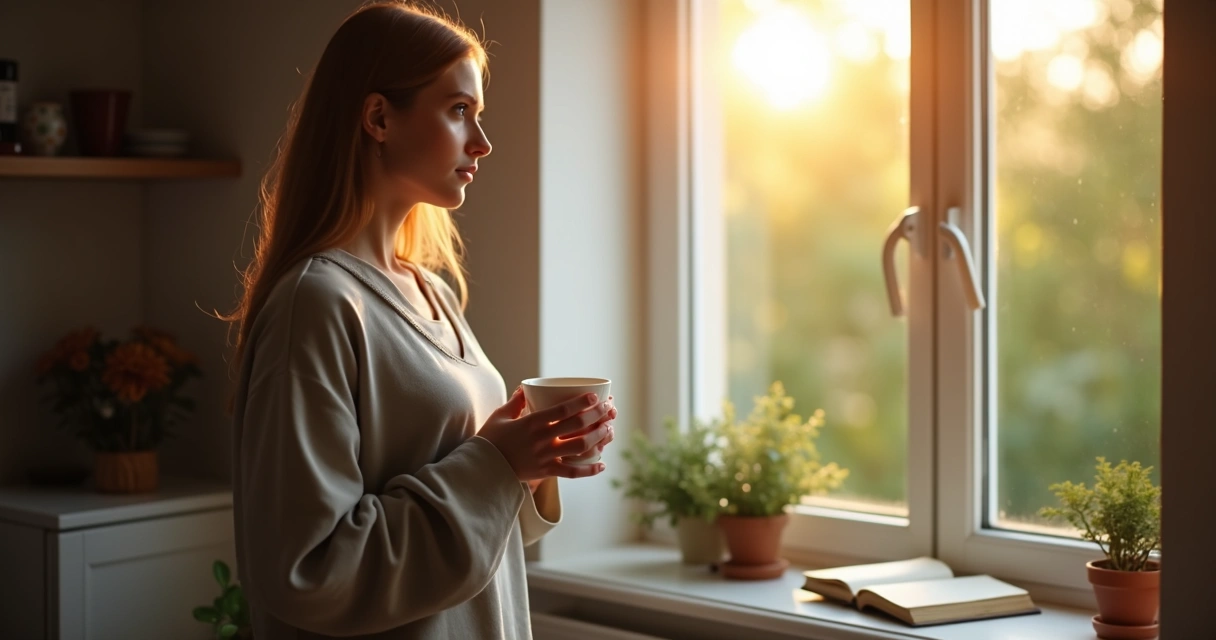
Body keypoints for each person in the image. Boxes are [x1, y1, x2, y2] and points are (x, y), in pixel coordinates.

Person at [221, 3, 616, 638]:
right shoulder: (317, 304)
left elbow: (475, 511)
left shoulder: (433, 293)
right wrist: (496, 465)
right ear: (378, 117)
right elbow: (307, 570)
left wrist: (530, 463)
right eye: (459, 110)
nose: (482, 142)